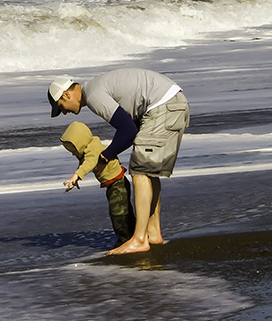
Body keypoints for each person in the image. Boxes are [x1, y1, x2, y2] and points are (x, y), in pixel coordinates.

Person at [48, 68, 188, 254]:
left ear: (66, 94)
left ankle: (139, 239)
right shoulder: (95, 87)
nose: (64, 113)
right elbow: (131, 127)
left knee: (139, 171)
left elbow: (128, 131)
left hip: (163, 106)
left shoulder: (93, 96)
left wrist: (105, 156)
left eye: (60, 107)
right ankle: (152, 233)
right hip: (170, 103)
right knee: (148, 171)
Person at [60, 121, 136, 247]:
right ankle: (132, 235)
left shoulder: (93, 148)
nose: (73, 154)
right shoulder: (88, 149)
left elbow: (89, 163)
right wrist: (76, 180)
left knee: (119, 213)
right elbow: (84, 164)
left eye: (73, 150)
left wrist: (76, 175)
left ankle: (126, 239)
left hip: (118, 183)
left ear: (80, 143)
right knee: (123, 211)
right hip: (113, 184)